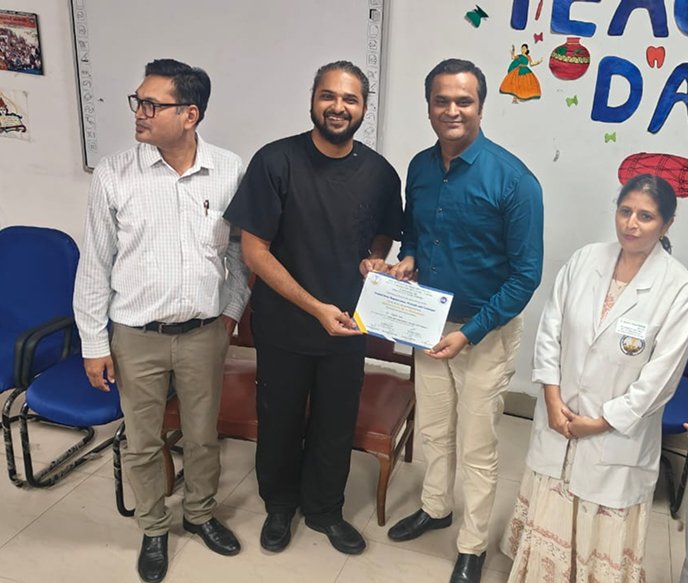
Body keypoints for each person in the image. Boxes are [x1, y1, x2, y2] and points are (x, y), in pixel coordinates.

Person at [73, 59, 250, 583]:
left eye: (153, 104)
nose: (139, 113)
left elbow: (238, 253)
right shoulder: (114, 173)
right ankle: (153, 528)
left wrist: (230, 312)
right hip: (135, 336)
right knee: (143, 441)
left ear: (190, 115)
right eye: (138, 101)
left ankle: (200, 514)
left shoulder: (229, 170)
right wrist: (92, 343)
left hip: (203, 334)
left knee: (202, 435)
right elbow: (95, 263)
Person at [224, 60, 402, 556]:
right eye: (329, 96)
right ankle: (280, 506)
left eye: (350, 99)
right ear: (312, 100)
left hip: (347, 326)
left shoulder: (380, 174)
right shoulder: (275, 161)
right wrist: (314, 306)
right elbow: (254, 252)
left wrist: (374, 258)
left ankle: (325, 510)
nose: (338, 107)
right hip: (284, 323)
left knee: (335, 422)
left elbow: (383, 233)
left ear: (364, 108)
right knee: (278, 418)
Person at [386, 58, 543, 583]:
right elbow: (413, 232)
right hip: (428, 322)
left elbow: (525, 277)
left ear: (481, 106)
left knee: (477, 445)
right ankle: (435, 508)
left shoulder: (515, 181)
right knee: (434, 429)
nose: (452, 110)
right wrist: (408, 257)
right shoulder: (420, 167)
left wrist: (469, 334)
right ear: (429, 106)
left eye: (463, 101)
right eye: (442, 101)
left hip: (485, 331)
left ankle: (472, 544)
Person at [500, 174, 688, 582]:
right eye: (625, 211)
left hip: (616, 436)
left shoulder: (677, 288)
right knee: (553, 501)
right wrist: (552, 400)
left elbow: (662, 378)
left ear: (667, 225)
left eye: (645, 216)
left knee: (599, 522)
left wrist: (602, 422)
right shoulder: (585, 260)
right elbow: (549, 332)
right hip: (560, 418)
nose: (631, 224)